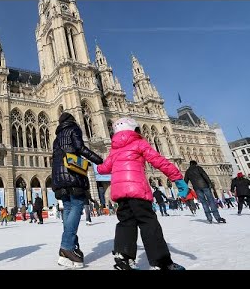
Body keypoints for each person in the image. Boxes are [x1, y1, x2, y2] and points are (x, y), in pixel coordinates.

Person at [97, 118, 188, 270]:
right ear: (135, 130)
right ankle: (162, 262)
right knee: (148, 223)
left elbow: (103, 169)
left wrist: (93, 165)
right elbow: (158, 160)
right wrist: (177, 177)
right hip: (137, 191)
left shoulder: (114, 150)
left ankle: (123, 257)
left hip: (120, 194)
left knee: (125, 222)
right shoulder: (139, 143)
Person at [52, 112, 103, 268]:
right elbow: (79, 147)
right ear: (72, 120)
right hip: (73, 173)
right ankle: (66, 247)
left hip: (58, 176)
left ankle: (69, 249)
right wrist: (98, 160)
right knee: (77, 205)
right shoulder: (73, 129)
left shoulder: (56, 137)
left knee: (67, 209)